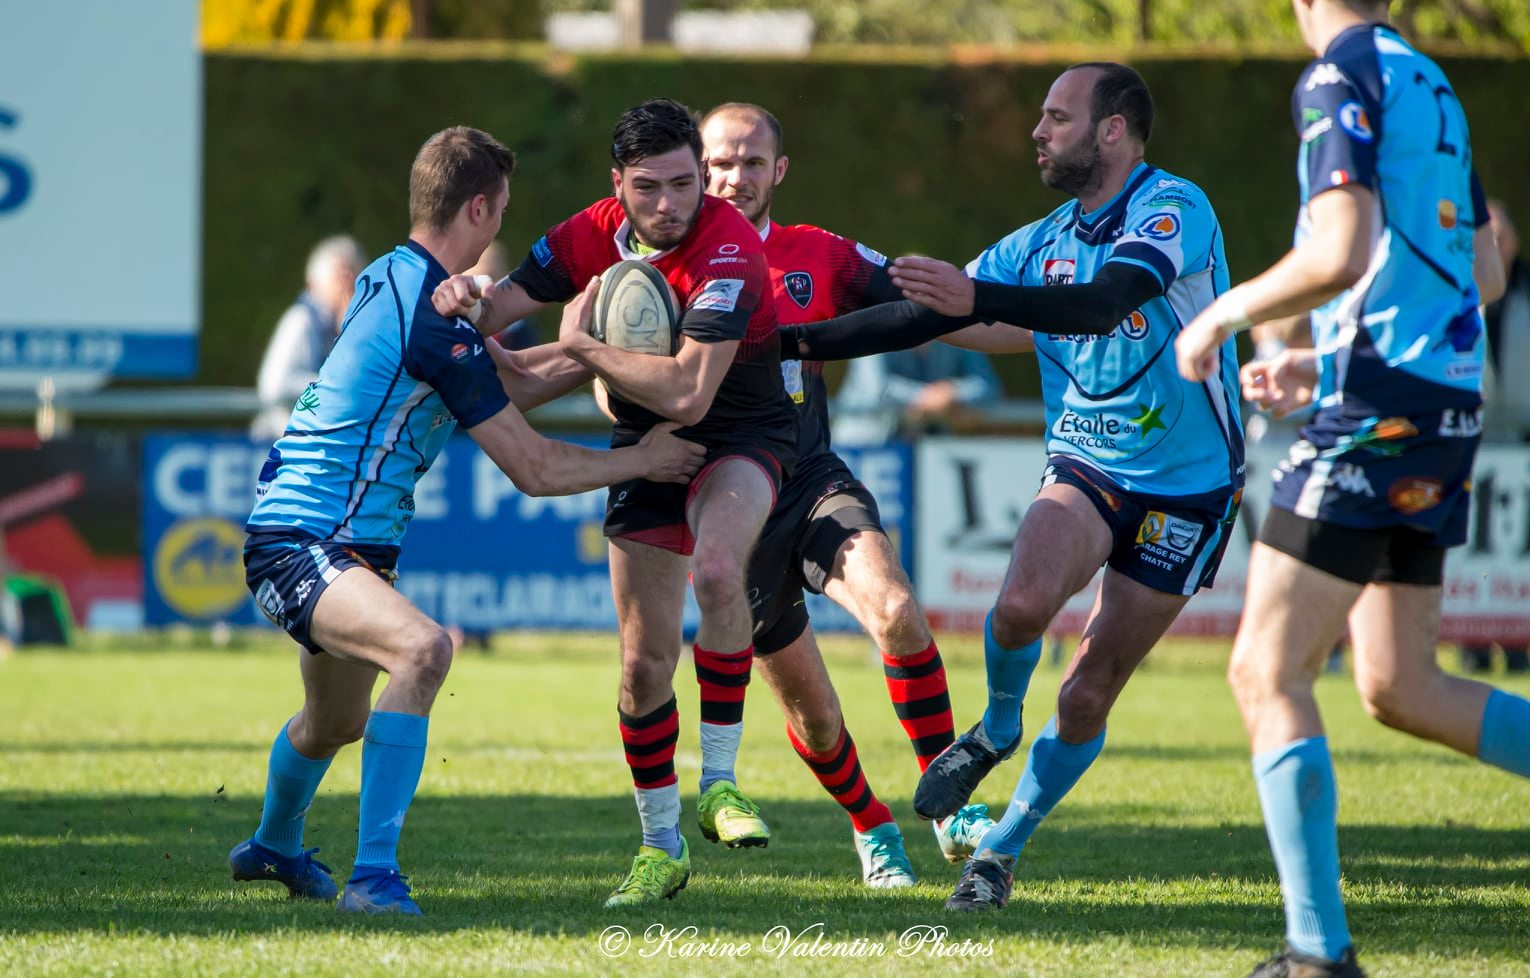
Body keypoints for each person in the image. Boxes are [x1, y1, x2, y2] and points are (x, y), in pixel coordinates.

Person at [1175, 4, 1530, 975]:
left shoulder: (1334, 76)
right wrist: (1325, 368)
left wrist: (1218, 319)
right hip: (1436, 407)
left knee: (1263, 673)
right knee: (1398, 685)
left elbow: (1337, 254)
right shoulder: (1429, 82)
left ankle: (1315, 954)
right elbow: (1479, 270)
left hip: (1378, 418)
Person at [783, 62, 1243, 912]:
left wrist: (980, 295)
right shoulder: (1042, 239)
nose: (1038, 130)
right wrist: (789, 342)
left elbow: (1108, 301)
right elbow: (926, 316)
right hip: (1089, 464)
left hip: (1192, 487)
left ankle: (998, 854)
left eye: (1057, 117)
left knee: (1087, 690)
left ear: (1112, 130)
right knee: (1021, 604)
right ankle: (995, 726)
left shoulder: (1172, 207)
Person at [231, 126, 705, 917]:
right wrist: (643, 460)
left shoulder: (392, 274)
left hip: (338, 544)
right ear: (479, 209)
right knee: (424, 650)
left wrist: (590, 349)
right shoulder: (434, 316)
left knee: (334, 720)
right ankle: (374, 879)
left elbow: (506, 384)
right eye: (503, 212)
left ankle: (272, 847)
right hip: (305, 541)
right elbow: (536, 467)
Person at [432, 98, 798, 908]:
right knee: (639, 667)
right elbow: (496, 319)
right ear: (617, 186)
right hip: (644, 447)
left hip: (739, 435)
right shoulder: (587, 232)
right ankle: (660, 848)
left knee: (717, 570)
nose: (669, 205)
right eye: (648, 188)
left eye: (683, 184)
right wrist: (463, 299)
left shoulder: (731, 247)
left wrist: (583, 345)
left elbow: (693, 395)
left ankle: (724, 785)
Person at [698, 101, 996, 888]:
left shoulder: (816, 255)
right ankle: (871, 826)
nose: (735, 177)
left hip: (808, 477)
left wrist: (1019, 315)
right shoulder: (660, 270)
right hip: (731, 514)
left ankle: (948, 796)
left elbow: (916, 305)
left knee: (896, 609)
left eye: (752, 162)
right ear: (698, 168)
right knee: (816, 716)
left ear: (779, 171)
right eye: (721, 162)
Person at [1460, 198, 1530, 675]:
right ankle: (1472, 645)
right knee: (1470, 547)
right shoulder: (1456, 288)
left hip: (1522, 442)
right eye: (1490, 233)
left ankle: (1519, 649)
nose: (1497, 243)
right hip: (1468, 440)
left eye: (1504, 234)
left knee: (1519, 550)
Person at [251, 235, 365, 439]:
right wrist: (333, 383)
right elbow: (275, 387)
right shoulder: (301, 321)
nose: (351, 288)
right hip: (282, 448)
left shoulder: (340, 326)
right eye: (344, 277)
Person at [831, 341, 1003, 446]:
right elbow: (877, 390)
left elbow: (989, 388)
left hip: (928, 451)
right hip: (865, 450)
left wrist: (952, 392)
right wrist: (929, 397)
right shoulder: (871, 324)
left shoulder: (956, 328)